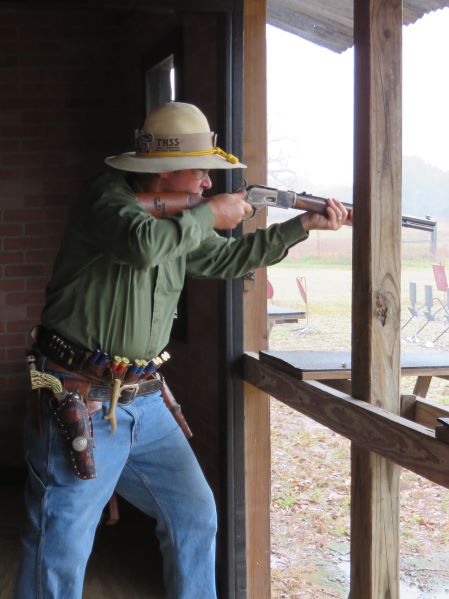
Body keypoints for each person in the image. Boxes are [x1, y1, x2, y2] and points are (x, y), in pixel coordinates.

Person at [15, 101, 350, 599]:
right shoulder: (105, 199)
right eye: (199, 171)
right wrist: (209, 214)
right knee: (60, 546)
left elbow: (231, 258)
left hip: (146, 400)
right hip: (80, 398)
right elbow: (142, 244)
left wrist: (300, 227)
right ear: (165, 170)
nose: (208, 183)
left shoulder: (181, 220)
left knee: (195, 515)